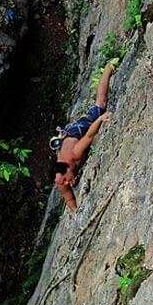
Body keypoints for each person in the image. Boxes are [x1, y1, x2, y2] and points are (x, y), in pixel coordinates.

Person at [50, 63, 116, 211]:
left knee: (101, 104)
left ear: (67, 168)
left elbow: (89, 135)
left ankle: (108, 68)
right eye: (64, 182)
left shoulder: (75, 154)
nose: (67, 183)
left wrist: (100, 119)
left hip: (75, 132)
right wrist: (76, 210)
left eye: (66, 179)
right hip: (63, 141)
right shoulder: (60, 182)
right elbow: (68, 198)